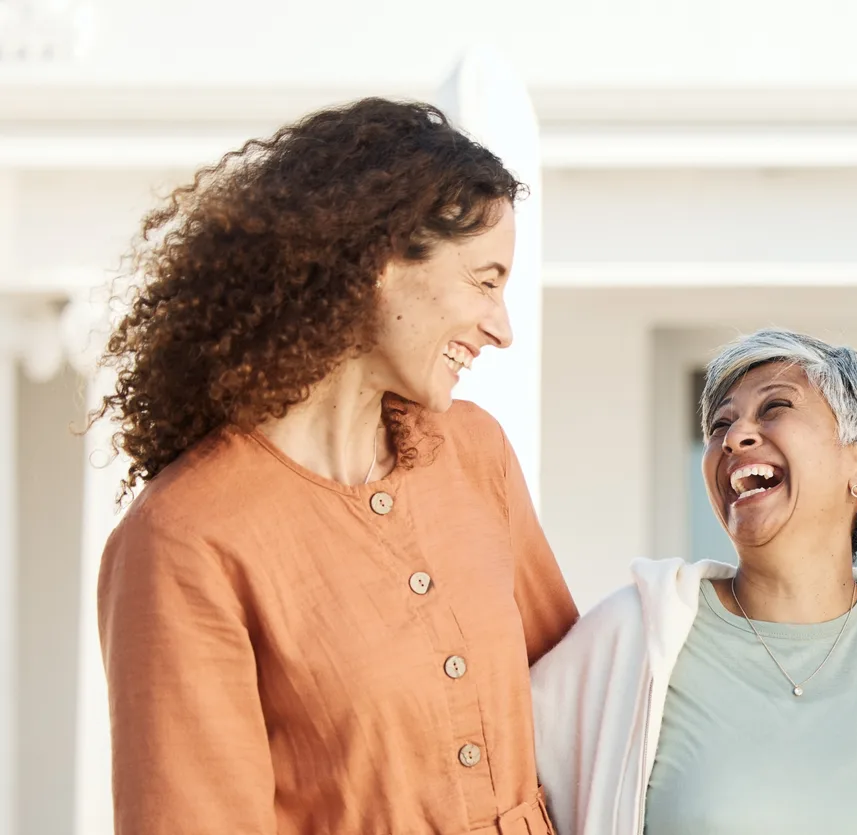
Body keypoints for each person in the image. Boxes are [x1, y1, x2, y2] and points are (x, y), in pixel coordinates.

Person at [92, 98, 579, 833]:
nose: (501, 327)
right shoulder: (185, 538)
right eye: (484, 281)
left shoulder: (475, 453)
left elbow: (578, 700)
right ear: (381, 261)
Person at [531, 328, 857, 835]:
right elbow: (485, 767)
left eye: (774, 408)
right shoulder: (632, 636)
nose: (733, 437)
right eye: (721, 424)